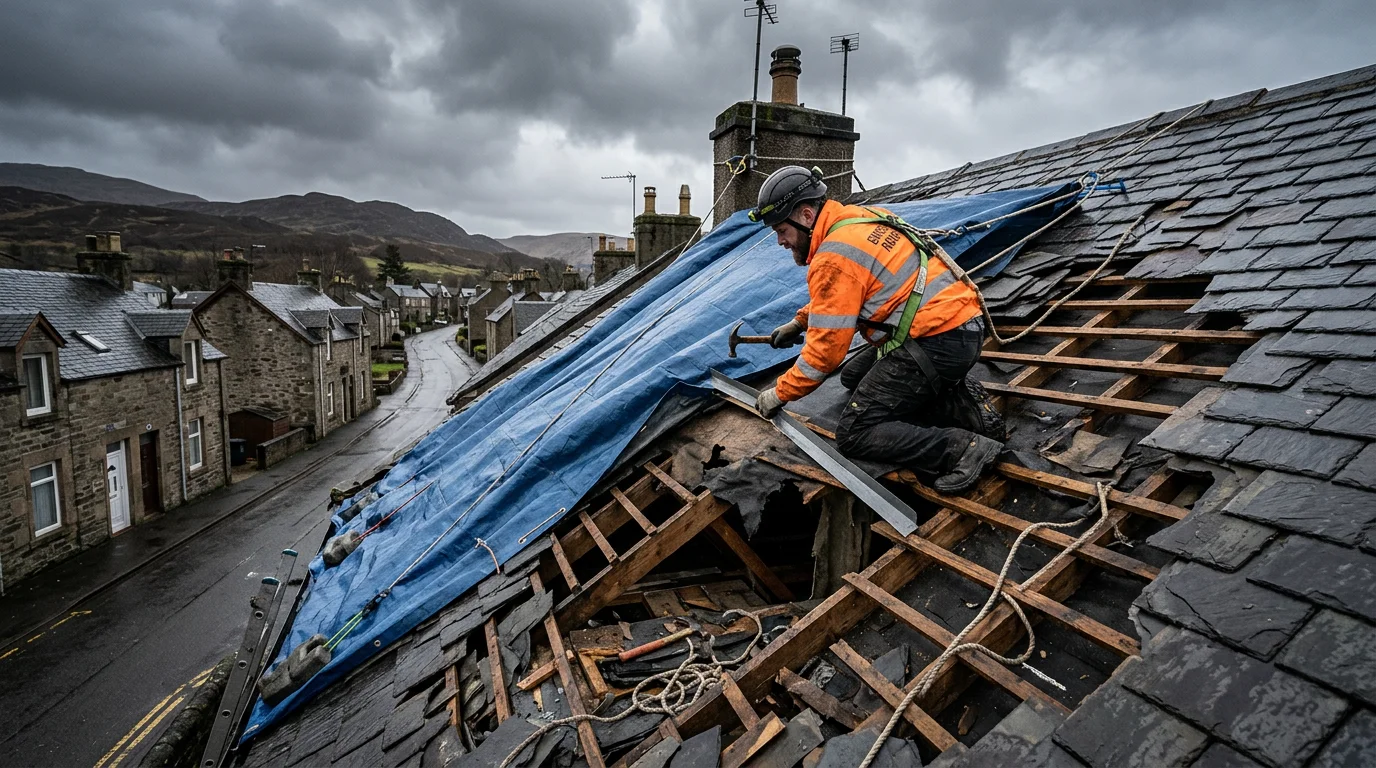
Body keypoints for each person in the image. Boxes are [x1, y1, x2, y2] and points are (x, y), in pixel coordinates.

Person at [749, 166, 1005, 494]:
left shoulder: (832, 257)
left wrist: (779, 393)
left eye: (782, 230)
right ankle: (968, 408)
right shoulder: (861, 218)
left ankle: (962, 448)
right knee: (854, 377)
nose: (781, 241)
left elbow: (823, 355)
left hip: (936, 342)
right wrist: (800, 321)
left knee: (855, 432)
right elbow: (846, 290)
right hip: (959, 327)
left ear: (807, 215)